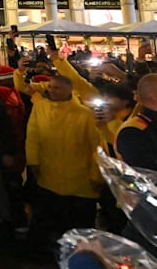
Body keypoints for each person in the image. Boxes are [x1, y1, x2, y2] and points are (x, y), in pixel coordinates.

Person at [25, 75, 103, 246]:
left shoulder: (85, 114)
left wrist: (96, 176)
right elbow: (33, 136)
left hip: (79, 182)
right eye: (50, 87)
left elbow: (96, 149)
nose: (51, 91)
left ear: (69, 90)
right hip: (49, 176)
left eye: (56, 88)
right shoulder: (40, 107)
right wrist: (33, 161)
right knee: (48, 220)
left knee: (78, 226)